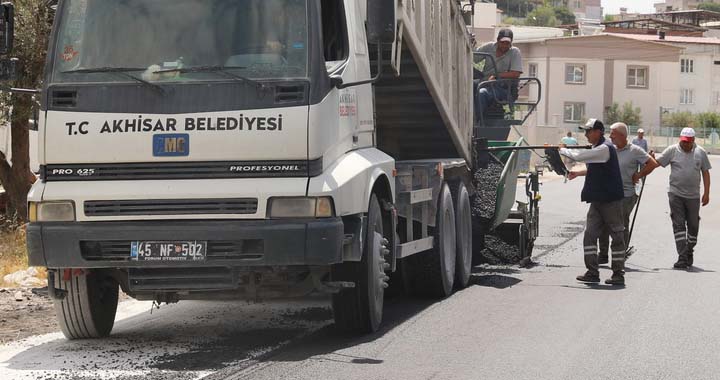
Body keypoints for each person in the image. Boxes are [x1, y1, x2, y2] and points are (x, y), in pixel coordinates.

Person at [560, 118, 626, 286]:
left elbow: (583, 156)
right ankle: (592, 272)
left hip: (610, 201)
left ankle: (618, 274)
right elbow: (592, 166)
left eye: (588, 131)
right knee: (590, 236)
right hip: (597, 200)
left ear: (598, 132)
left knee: (616, 236)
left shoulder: (605, 148)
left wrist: (562, 150)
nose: (586, 134)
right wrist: (577, 173)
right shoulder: (598, 149)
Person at [595, 123, 659, 264]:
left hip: (627, 195)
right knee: (604, 223)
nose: (610, 136)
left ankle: (620, 255)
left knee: (620, 224)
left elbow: (652, 163)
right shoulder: (608, 149)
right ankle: (604, 254)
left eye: (613, 134)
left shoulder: (634, 150)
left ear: (622, 135)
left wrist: (639, 174)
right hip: (609, 194)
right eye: (610, 133)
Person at [652, 127, 712, 269]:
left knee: (693, 226)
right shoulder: (672, 150)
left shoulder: (700, 152)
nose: (685, 144)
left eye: (689, 142)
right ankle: (682, 256)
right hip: (675, 194)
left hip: (693, 196)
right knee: (678, 225)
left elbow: (705, 173)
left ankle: (689, 250)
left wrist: (707, 193)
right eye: (684, 142)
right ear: (680, 139)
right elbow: (657, 163)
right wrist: (648, 159)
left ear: (693, 141)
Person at [474, 28, 523, 121]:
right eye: (502, 42)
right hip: (485, 82)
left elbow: (515, 73)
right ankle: (466, 117)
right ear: (497, 41)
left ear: (511, 43)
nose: (505, 45)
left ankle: (477, 121)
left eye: (507, 43)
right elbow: (474, 57)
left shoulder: (514, 52)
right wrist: (470, 45)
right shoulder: (489, 47)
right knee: (470, 86)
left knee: (482, 93)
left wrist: (497, 76)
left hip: (503, 87)